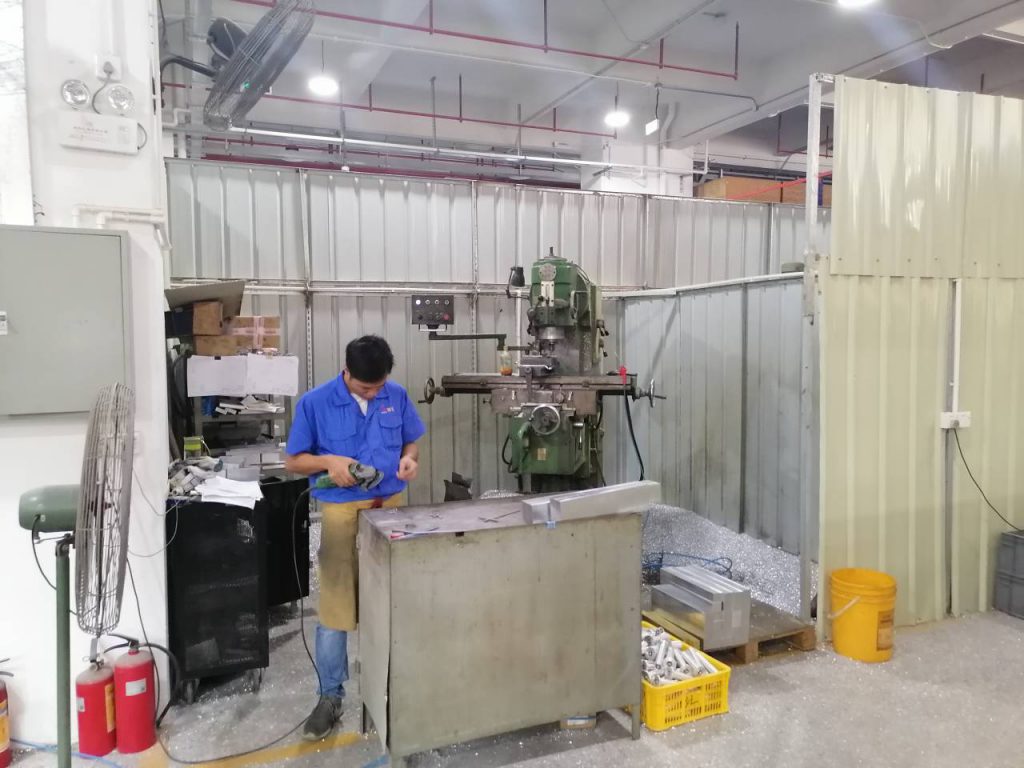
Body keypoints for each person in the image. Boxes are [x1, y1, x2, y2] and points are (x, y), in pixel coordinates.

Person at [284, 335, 426, 741]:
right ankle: (329, 696)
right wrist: (328, 460)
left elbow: (411, 440)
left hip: (391, 507)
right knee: (336, 607)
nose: (374, 393)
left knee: (395, 600)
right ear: (346, 372)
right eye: (366, 388)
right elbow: (294, 461)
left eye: (379, 386)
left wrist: (409, 459)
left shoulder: (396, 395)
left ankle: (399, 687)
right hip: (342, 512)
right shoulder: (315, 403)